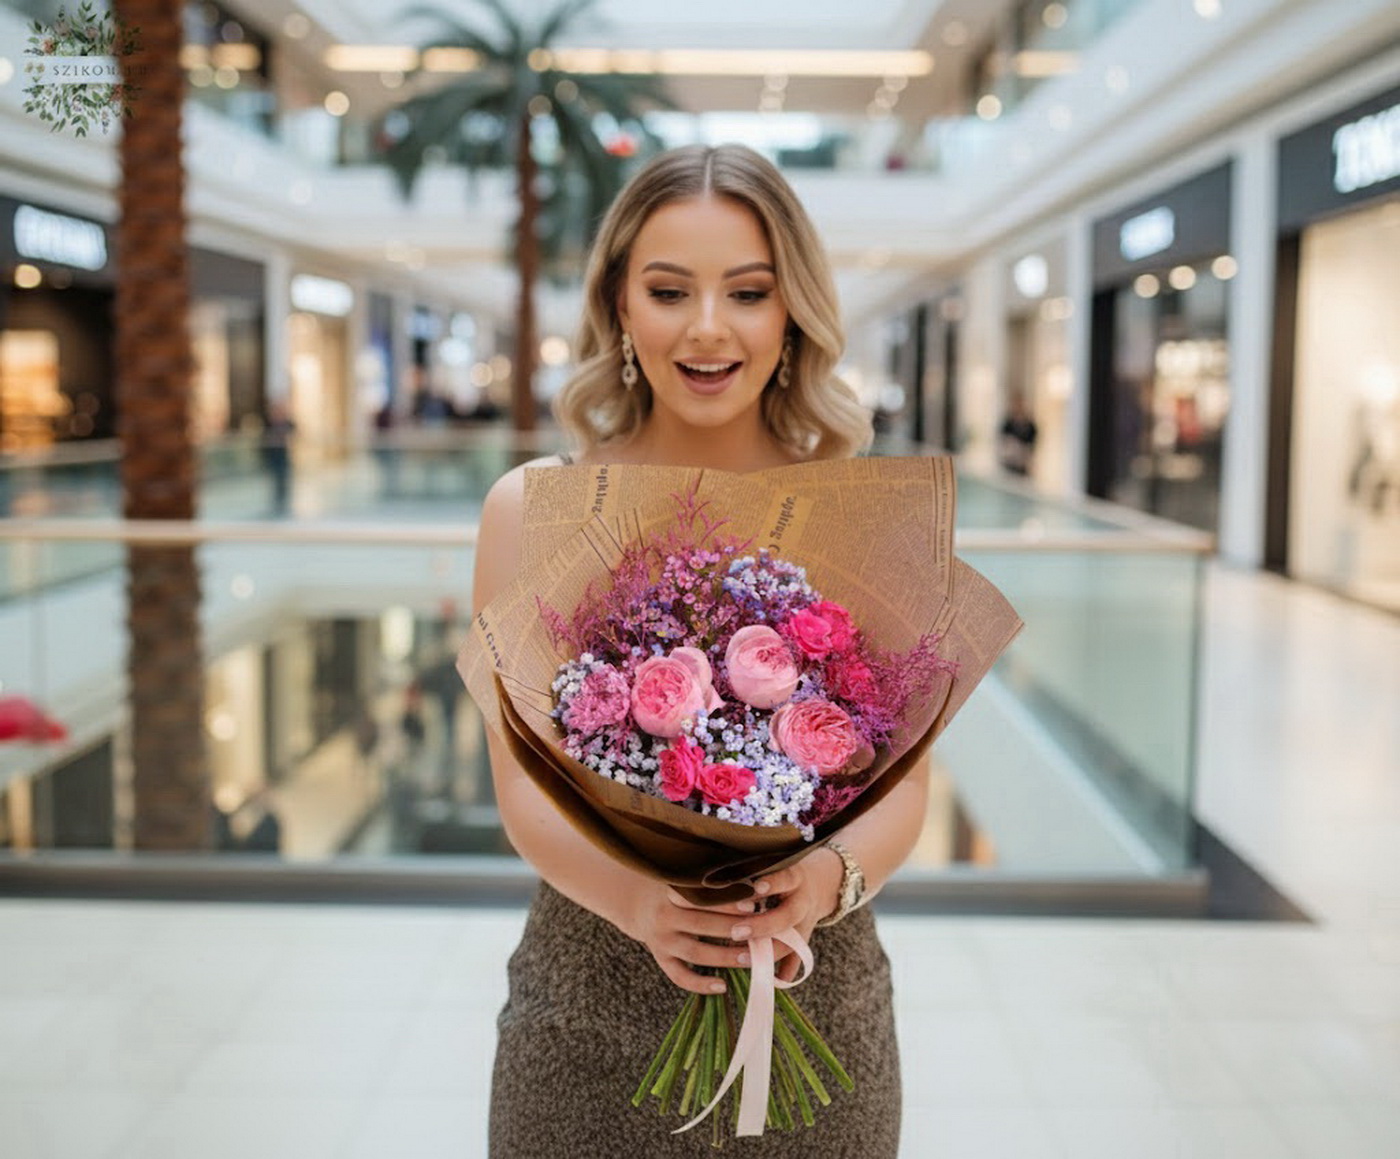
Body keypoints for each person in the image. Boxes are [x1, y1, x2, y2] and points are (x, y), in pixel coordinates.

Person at [473, 144, 922, 1156]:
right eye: (669, 289)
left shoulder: (864, 514)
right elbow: (518, 787)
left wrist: (822, 882)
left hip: (817, 1001)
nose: (708, 328)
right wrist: (640, 899)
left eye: (748, 292)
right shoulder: (535, 511)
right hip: (582, 1015)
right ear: (618, 305)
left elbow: (905, 788)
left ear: (791, 309)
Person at [998, 392, 1038, 477]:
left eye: (1020, 403)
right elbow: (1004, 445)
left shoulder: (1030, 426)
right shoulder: (1007, 424)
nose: (1018, 406)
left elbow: (1031, 448)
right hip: (1008, 466)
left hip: (1023, 467)